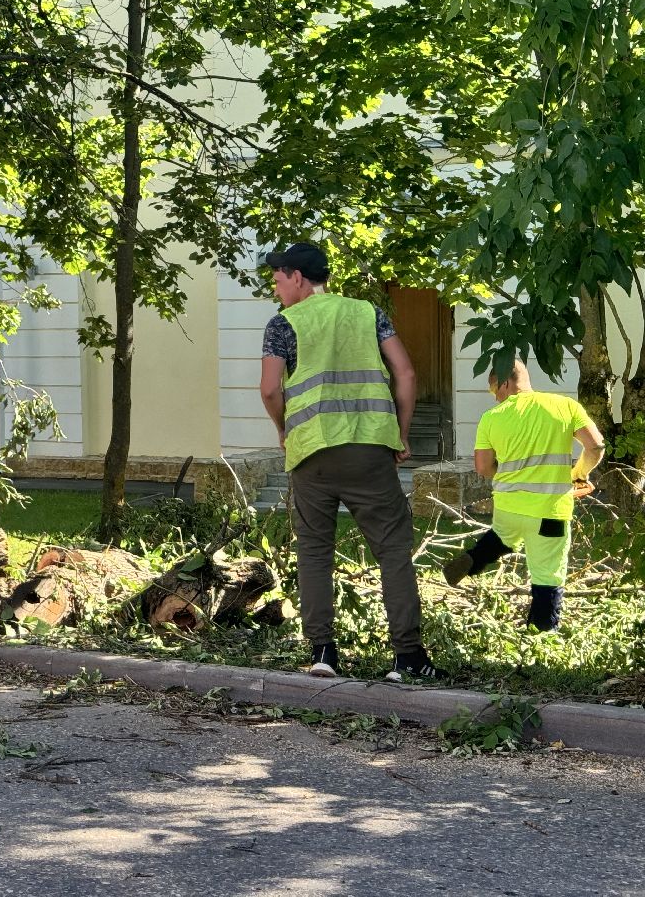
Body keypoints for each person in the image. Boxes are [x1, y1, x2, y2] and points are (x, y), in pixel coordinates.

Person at [258, 242, 439, 681]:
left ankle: (323, 653)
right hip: (370, 449)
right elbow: (407, 373)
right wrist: (400, 432)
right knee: (393, 550)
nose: (277, 289)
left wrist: (284, 430)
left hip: (312, 453)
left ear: (297, 277)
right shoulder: (368, 313)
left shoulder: (283, 324)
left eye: (278, 280)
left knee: (314, 552)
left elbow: (269, 389)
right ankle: (408, 658)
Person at [444, 360, 604, 631]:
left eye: (494, 390)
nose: (495, 397)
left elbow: (483, 467)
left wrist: (508, 472)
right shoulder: (564, 406)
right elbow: (596, 446)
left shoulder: (491, 418)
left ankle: (474, 559)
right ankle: (542, 632)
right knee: (547, 574)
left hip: (508, 507)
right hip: (550, 513)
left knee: (503, 537)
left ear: (506, 383)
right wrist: (579, 472)